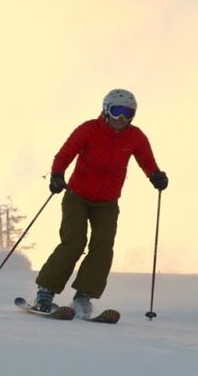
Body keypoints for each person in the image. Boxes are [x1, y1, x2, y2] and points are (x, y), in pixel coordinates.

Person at [33, 89, 168, 318]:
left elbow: (147, 161)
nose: (121, 119)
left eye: (127, 113)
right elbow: (65, 155)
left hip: (107, 202)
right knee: (74, 241)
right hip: (77, 195)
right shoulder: (89, 129)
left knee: (103, 246)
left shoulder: (135, 137)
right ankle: (45, 291)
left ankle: (83, 296)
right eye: (117, 111)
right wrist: (57, 175)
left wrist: (155, 175)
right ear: (106, 110)